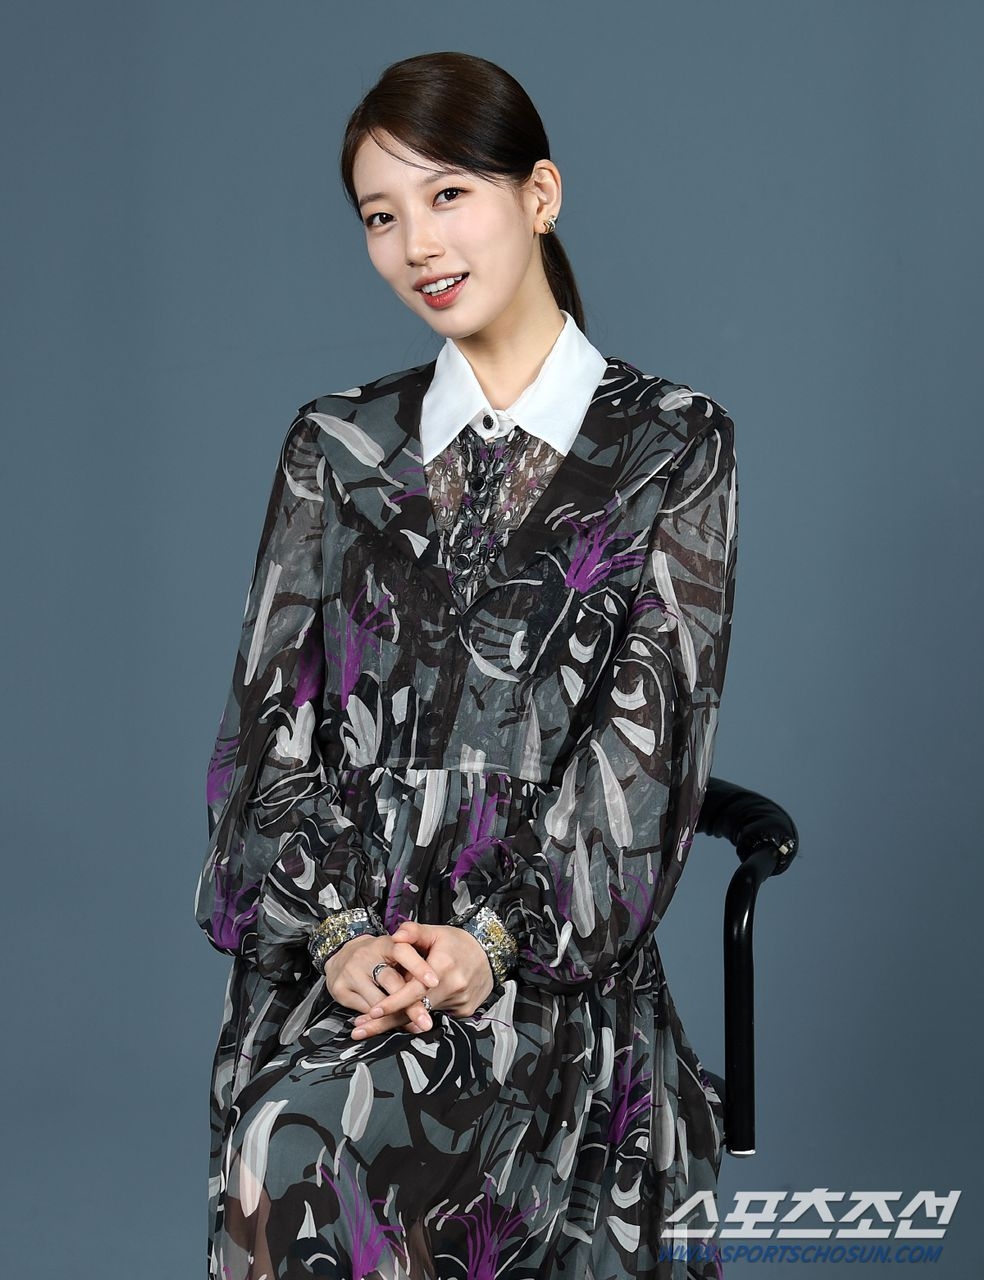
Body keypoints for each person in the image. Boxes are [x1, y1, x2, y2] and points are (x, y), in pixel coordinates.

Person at [195, 50, 737, 1280]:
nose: (417, 245)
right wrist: (342, 935)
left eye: (448, 195)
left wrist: (491, 940)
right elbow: (264, 738)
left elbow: (650, 754)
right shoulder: (336, 446)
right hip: (351, 955)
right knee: (295, 1148)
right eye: (380, 216)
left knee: (352, 1158)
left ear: (539, 194)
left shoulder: (671, 444)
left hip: (555, 969)